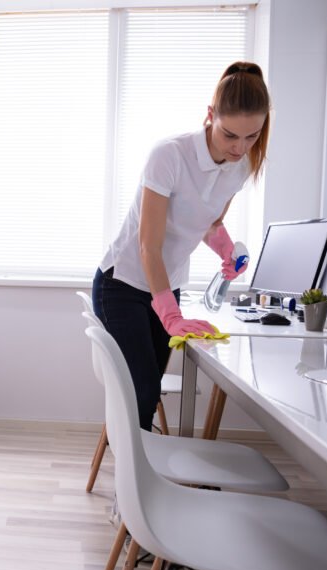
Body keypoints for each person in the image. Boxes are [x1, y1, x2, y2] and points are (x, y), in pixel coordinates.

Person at [92, 62, 271, 431]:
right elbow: (148, 245)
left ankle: (139, 469)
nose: (240, 147)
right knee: (139, 390)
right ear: (210, 116)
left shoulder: (241, 166)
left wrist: (226, 249)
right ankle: (132, 483)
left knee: (149, 389)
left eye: (252, 136)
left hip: (165, 282)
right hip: (122, 282)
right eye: (230, 135)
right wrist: (171, 315)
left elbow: (209, 222)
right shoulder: (169, 155)